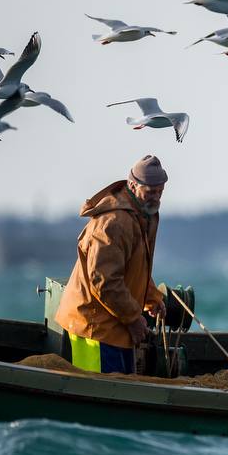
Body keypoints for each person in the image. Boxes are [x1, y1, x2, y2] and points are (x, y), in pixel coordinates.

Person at [56, 156, 168, 374]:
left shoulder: (142, 215)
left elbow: (133, 269)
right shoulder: (114, 223)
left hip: (116, 324)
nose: (156, 198)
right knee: (100, 390)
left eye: (160, 192)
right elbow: (104, 281)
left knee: (123, 386)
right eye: (150, 192)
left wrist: (152, 298)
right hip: (95, 327)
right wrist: (134, 318)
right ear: (133, 186)